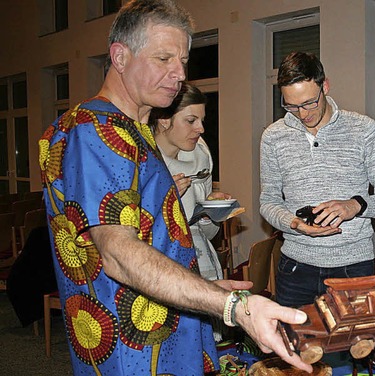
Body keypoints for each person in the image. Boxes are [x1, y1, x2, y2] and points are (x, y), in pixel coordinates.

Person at [38, 1, 312, 374]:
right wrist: (232, 307)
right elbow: (118, 255)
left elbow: (151, 240)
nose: (178, 73)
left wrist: (209, 288)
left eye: (182, 61)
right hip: (132, 349)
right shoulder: (95, 130)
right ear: (120, 56)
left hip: (161, 328)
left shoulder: (132, 129)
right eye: (163, 59)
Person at [260, 51, 375, 308]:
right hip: (295, 268)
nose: (302, 114)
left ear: (325, 86)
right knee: (295, 347)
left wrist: (354, 205)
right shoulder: (273, 136)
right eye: (291, 105)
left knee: (355, 348)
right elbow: (268, 201)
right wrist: (294, 224)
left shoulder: (363, 129)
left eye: (309, 103)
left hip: (353, 268)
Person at [149, 82, 227, 282]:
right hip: (162, 272)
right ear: (164, 120)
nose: (200, 128)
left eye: (201, 120)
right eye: (191, 120)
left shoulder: (201, 155)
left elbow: (207, 234)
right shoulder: (144, 162)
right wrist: (164, 199)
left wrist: (210, 212)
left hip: (204, 266)